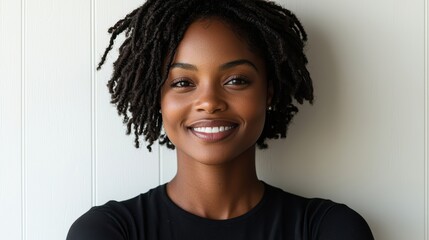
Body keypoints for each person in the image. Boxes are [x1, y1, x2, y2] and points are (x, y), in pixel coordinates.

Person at [67, 0, 374, 239]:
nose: (210, 102)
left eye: (236, 80)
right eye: (183, 83)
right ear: (157, 97)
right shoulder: (106, 232)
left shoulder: (328, 229)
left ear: (268, 92)